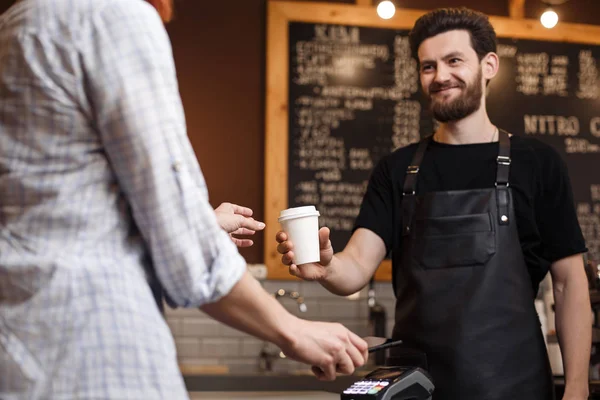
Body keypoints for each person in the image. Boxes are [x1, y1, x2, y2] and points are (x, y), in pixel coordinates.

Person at [0, 0, 368, 398]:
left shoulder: (18, 24)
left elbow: (64, 209)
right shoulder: (112, 15)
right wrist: (291, 329)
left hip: (22, 344)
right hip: (92, 351)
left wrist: (203, 225)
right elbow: (177, 235)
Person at [277, 7, 591, 400]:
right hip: (414, 389)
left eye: (454, 60)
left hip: (515, 386)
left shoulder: (538, 164)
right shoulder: (396, 170)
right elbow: (355, 265)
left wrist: (576, 389)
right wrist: (326, 267)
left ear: (489, 64)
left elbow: (568, 284)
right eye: (428, 66)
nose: (440, 76)